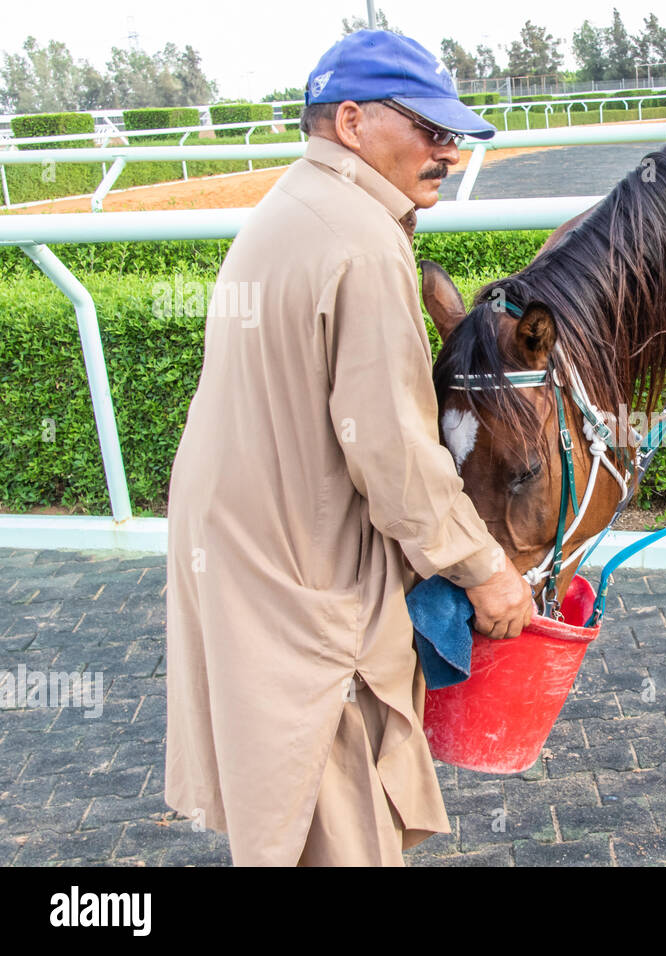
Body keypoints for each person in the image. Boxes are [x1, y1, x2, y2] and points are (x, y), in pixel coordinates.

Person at [163, 30, 534, 866]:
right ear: (355, 123)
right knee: (334, 824)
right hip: (298, 578)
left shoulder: (296, 206)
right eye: (429, 130)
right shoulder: (360, 242)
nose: (445, 152)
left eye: (452, 136)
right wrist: (486, 572)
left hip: (248, 551)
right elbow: (394, 458)